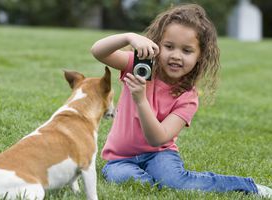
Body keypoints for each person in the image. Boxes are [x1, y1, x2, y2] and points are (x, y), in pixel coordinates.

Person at [91, 3, 272, 198]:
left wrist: (141, 100)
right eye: (169, 46)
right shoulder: (140, 66)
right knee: (129, 179)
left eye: (187, 51)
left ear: (199, 56)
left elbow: (157, 139)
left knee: (174, 181)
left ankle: (248, 186)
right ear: (157, 44)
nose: (176, 56)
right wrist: (128, 37)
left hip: (159, 154)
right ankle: (153, 179)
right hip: (120, 159)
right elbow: (98, 51)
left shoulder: (188, 97)